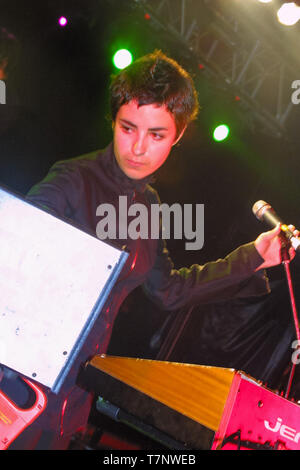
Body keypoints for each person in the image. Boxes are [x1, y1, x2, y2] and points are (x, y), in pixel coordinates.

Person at [7, 50, 294, 450]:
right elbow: (15, 245)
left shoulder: (149, 206)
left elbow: (168, 291)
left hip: (73, 397)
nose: (138, 147)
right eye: (128, 128)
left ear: (176, 137)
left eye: (156, 135)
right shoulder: (72, 180)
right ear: (113, 121)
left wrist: (254, 257)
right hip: (17, 391)